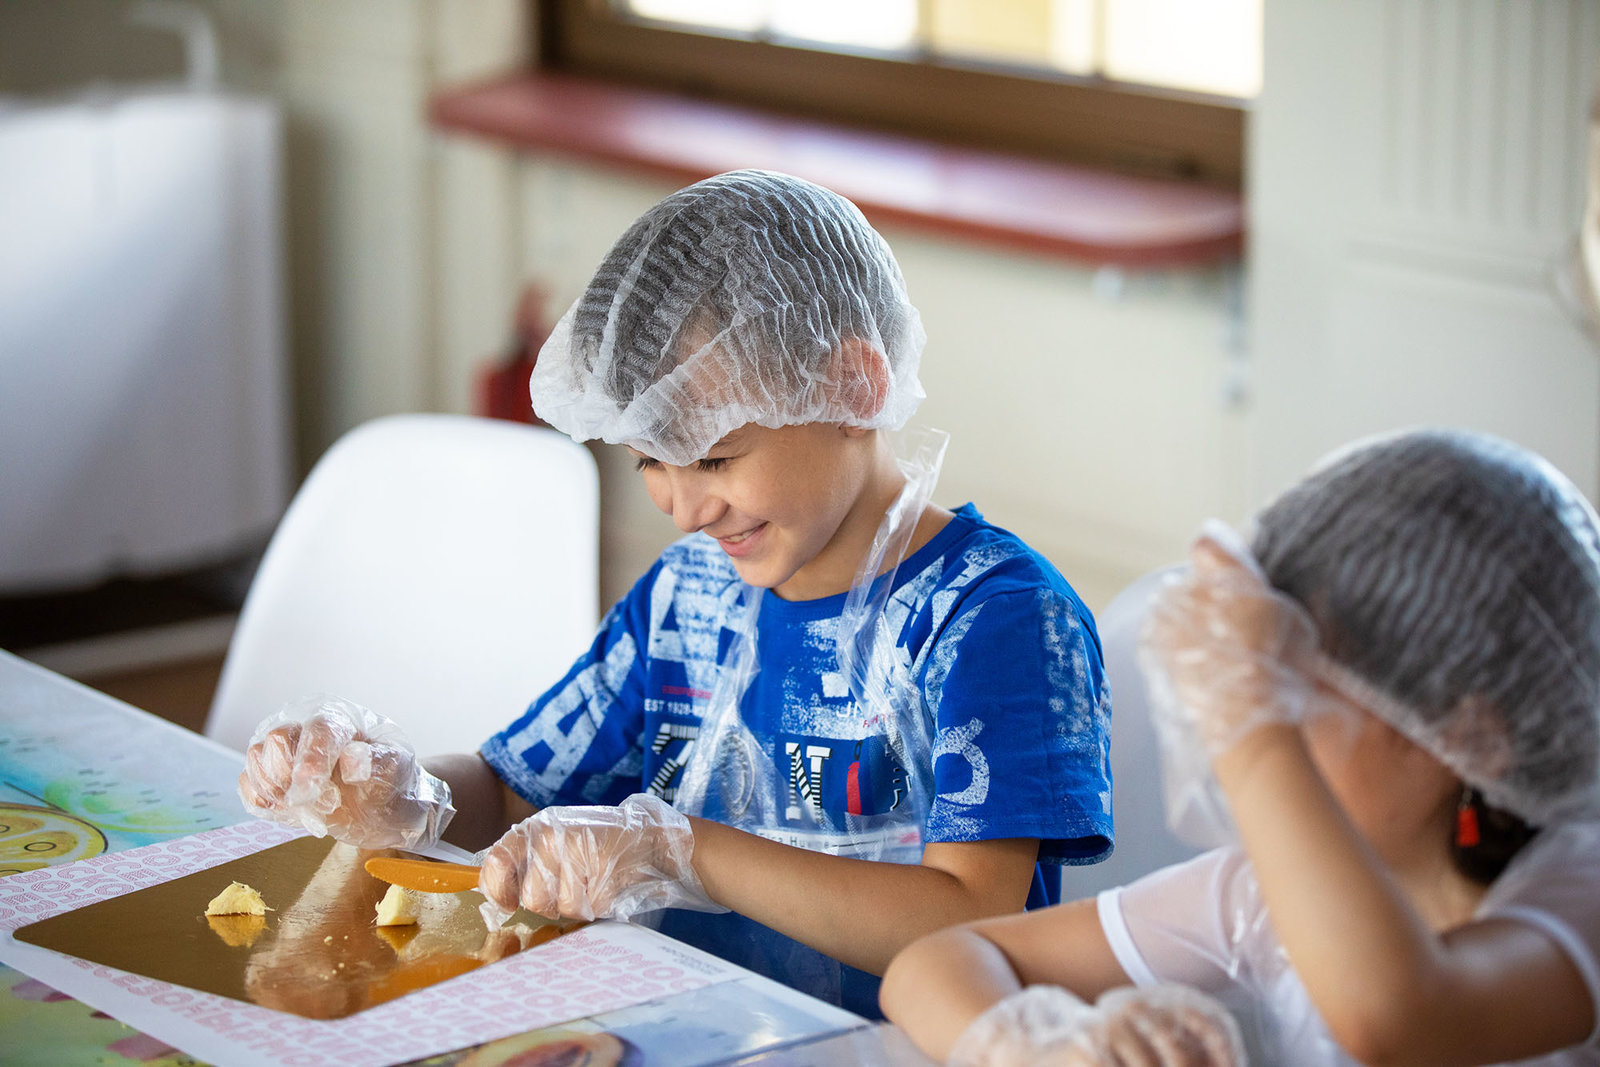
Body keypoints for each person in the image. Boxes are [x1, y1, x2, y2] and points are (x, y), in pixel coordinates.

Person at [237, 169, 1113, 1017]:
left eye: (716, 458)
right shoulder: (691, 596)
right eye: (650, 459)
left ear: (855, 387)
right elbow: (511, 790)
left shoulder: (990, 616)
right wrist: (399, 794)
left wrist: (684, 852)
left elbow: (972, 923)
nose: (684, 509)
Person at [881, 428, 1600, 1065]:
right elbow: (937, 961)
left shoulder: (1576, 895)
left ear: (1471, 739)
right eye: (1267, 707)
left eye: (1297, 707)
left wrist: (1255, 730)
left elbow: (1397, 1016)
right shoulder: (1259, 895)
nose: (1262, 745)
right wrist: (1041, 1041)